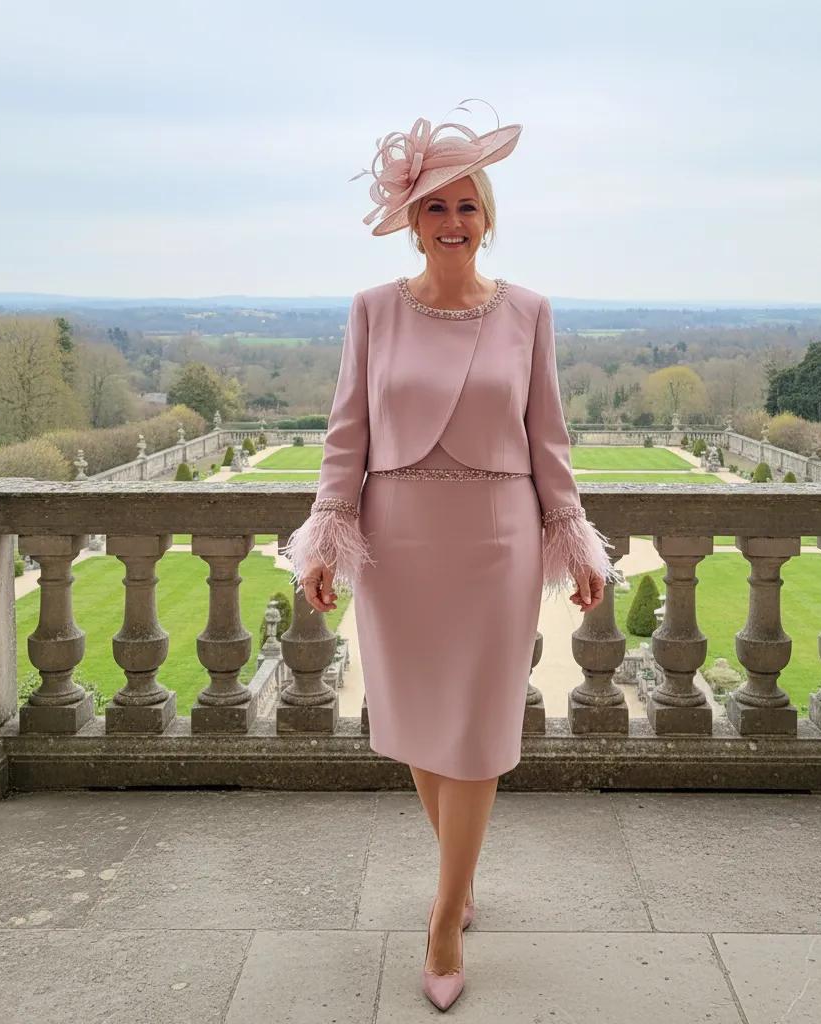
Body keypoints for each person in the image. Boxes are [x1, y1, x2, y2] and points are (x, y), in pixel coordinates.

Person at [282, 99, 623, 1011]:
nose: (453, 224)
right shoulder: (369, 312)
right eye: (436, 208)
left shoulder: (531, 312)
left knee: (473, 734)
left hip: (496, 545)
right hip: (396, 548)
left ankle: (442, 918)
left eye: (468, 207)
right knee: (419, 729)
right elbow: (343, 436)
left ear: (488, 218)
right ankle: (458, 881)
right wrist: (324, 539)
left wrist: (576, 540)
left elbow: (549, 441)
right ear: (410, 220)